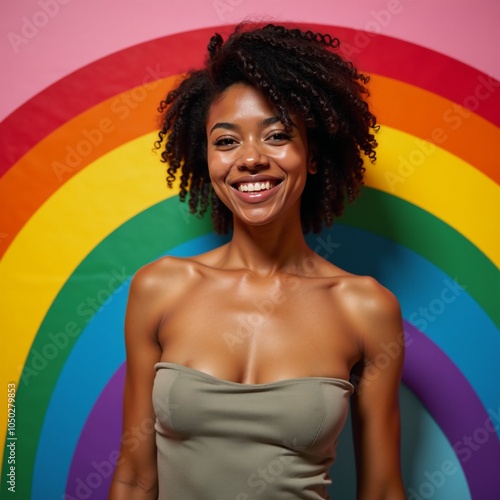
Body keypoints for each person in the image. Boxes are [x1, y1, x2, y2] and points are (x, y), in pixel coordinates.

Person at [109, 22, 405, 500]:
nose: (249, 159)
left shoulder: (365, 307)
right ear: (206, 158)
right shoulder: (160, 288)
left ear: (311, 155)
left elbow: (384, 489)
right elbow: (134, 476)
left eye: (276, 135)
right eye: (226, 141)